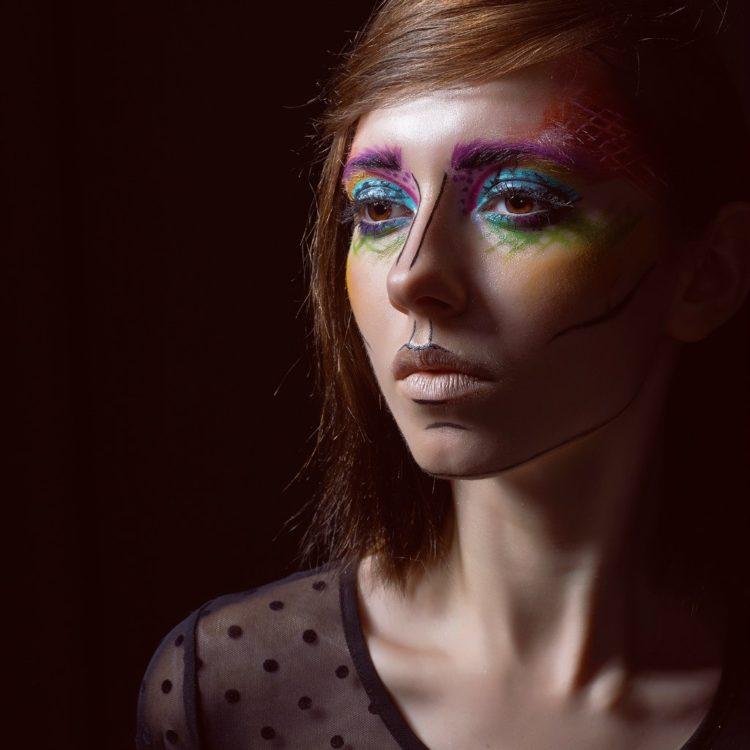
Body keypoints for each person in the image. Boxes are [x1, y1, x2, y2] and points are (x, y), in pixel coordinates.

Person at [135, 1, 750, 748]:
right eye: (378, 208)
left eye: (519, 201)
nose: (412, 276)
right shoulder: (228, 694)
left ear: (709, 275)